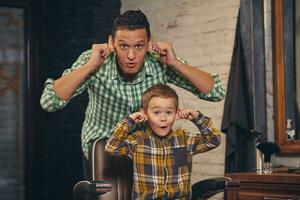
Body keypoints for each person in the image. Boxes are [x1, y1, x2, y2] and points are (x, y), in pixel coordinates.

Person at [40, 9, 225, 161]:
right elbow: (49, 102)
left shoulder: (159, 61)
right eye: (123, 46)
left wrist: (176, 63)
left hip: (147, 152)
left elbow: (216, 92)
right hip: (103, 151)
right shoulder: (95, 60)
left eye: (138, 46)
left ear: (149, 43)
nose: (131, 55)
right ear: (111, 43)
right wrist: (90, 66)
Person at [105, 84, 221, 199]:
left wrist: (197, 118)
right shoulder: (137, 140)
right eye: (156, 112)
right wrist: (129, 122)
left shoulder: (184, 139)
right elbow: (111, 147)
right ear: (145, 113)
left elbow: (214, 140)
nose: (163, 118)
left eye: (169, 112)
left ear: (176, 114)